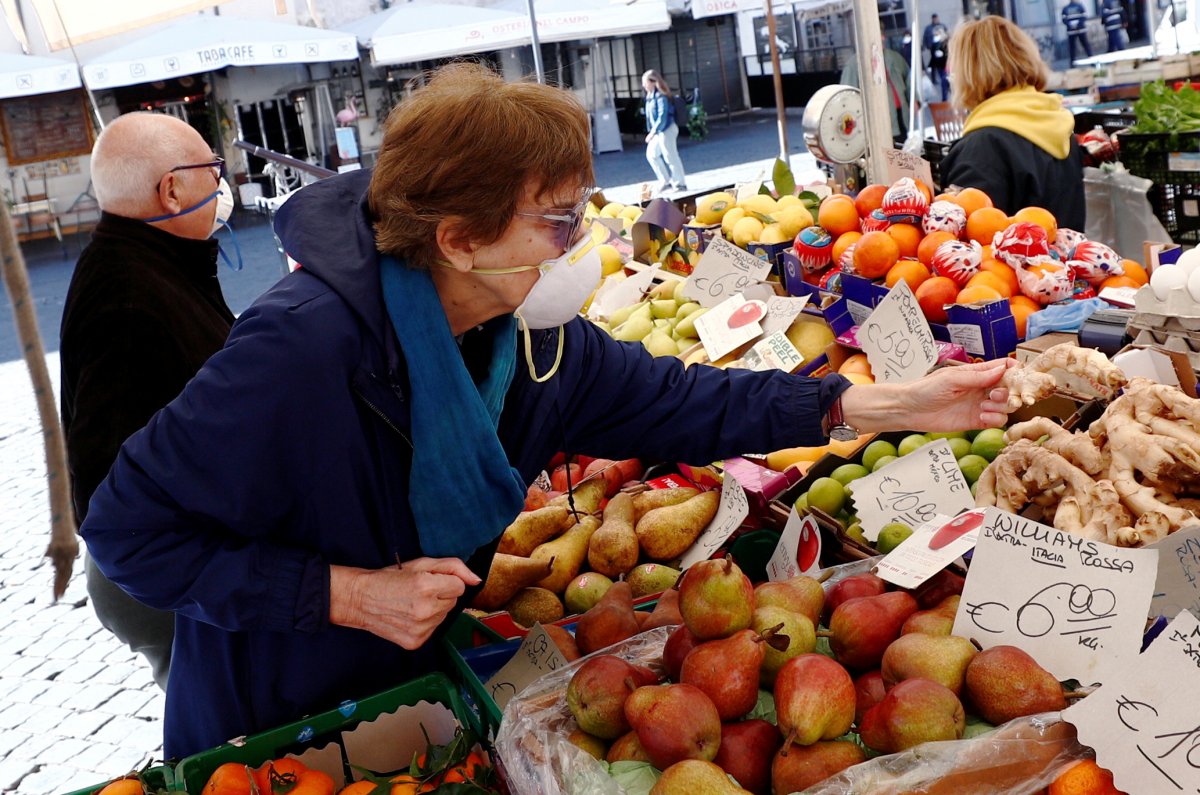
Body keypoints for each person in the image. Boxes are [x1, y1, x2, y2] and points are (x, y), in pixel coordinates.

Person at [80, 62, 1018, 759]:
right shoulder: (305, 346)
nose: (585, 245)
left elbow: (684, 399)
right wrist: (349, 593)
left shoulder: (535, 337)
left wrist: (891, 401)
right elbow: (127, 531)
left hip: (419, 685)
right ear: (457, 237)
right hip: (277, 707)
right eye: (560, 220)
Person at [59, 112, 236, 690]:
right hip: (166, 582)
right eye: (212, 168)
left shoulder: (153, 260)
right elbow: (105, 482)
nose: (221, 182)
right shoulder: (126, 300)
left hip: (181, 566)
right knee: (218, 732)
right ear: (172, 190)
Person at [940, 16, 1086, 231]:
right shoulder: (1058, 125)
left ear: (969, 72)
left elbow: (969, 241)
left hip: (1014, 265)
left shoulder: (983, 147)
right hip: (1065, 263)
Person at [840, 47, 912, 141]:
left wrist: (913, 99)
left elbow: (909, 78)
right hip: (876, 120)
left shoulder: (894, 57)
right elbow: (847, 96)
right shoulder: (853, 64)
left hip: (900, 114)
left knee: (900, 147)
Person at [642, 69, 687, 193]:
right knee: (652, 155)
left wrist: (652, 132)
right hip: (659, 132)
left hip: (667, 129)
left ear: (653, 82)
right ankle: (665, 181)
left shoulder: (660, 96)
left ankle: (680, 184)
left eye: (645, 82)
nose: (644, 85)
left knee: (670, 156)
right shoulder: (650, 96)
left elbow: (662, 116)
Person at [922, 14, 950, 100]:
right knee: (943, 76)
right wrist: (927, 46)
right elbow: (925, 38)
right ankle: (937, 81)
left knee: (945, 77)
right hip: (936, 54)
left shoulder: (942, 26)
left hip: (944, 57)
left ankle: (946, 91)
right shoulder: (929, 28)